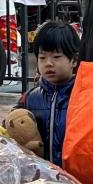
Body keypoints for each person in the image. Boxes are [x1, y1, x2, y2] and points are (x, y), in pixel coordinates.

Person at [16, 20, 79, 166]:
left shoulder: (82, 97)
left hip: (76, 178)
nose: (48, 63)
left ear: (74, 60)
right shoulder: (30, 98)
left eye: (56, 57)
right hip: (42, 176)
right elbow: (13, 128)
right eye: (42, 57)